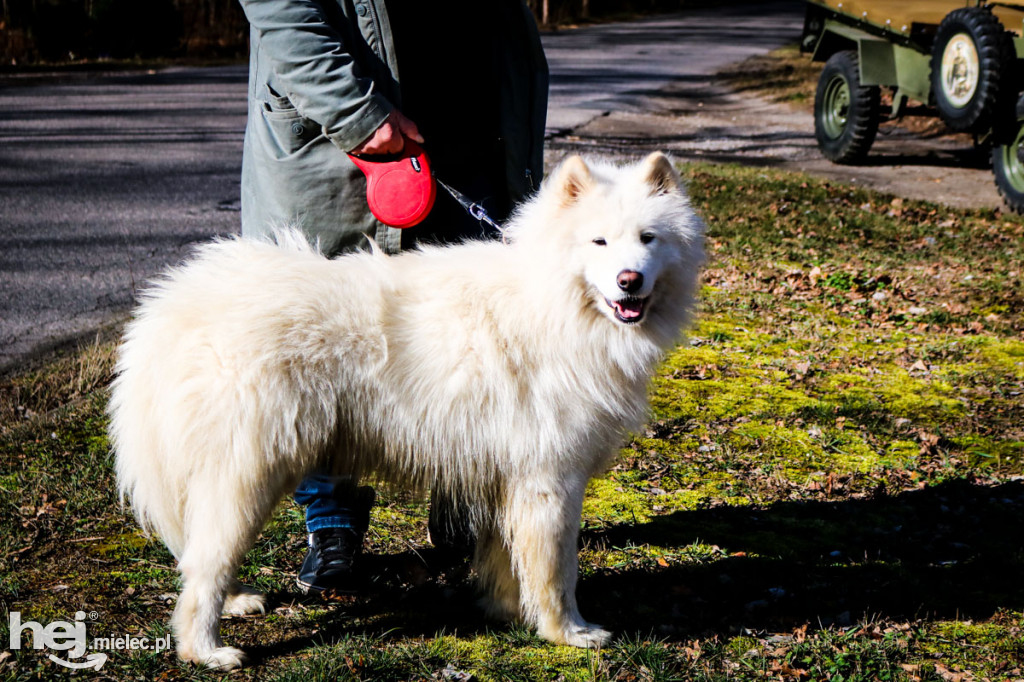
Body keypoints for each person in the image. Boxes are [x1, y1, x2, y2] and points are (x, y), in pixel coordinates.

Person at [236, 0, 548, 594]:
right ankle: (332, 527)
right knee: (327, 343)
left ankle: (469, 508)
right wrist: (354, 111)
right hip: (342, 131)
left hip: (475, 116)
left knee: (476, 342)